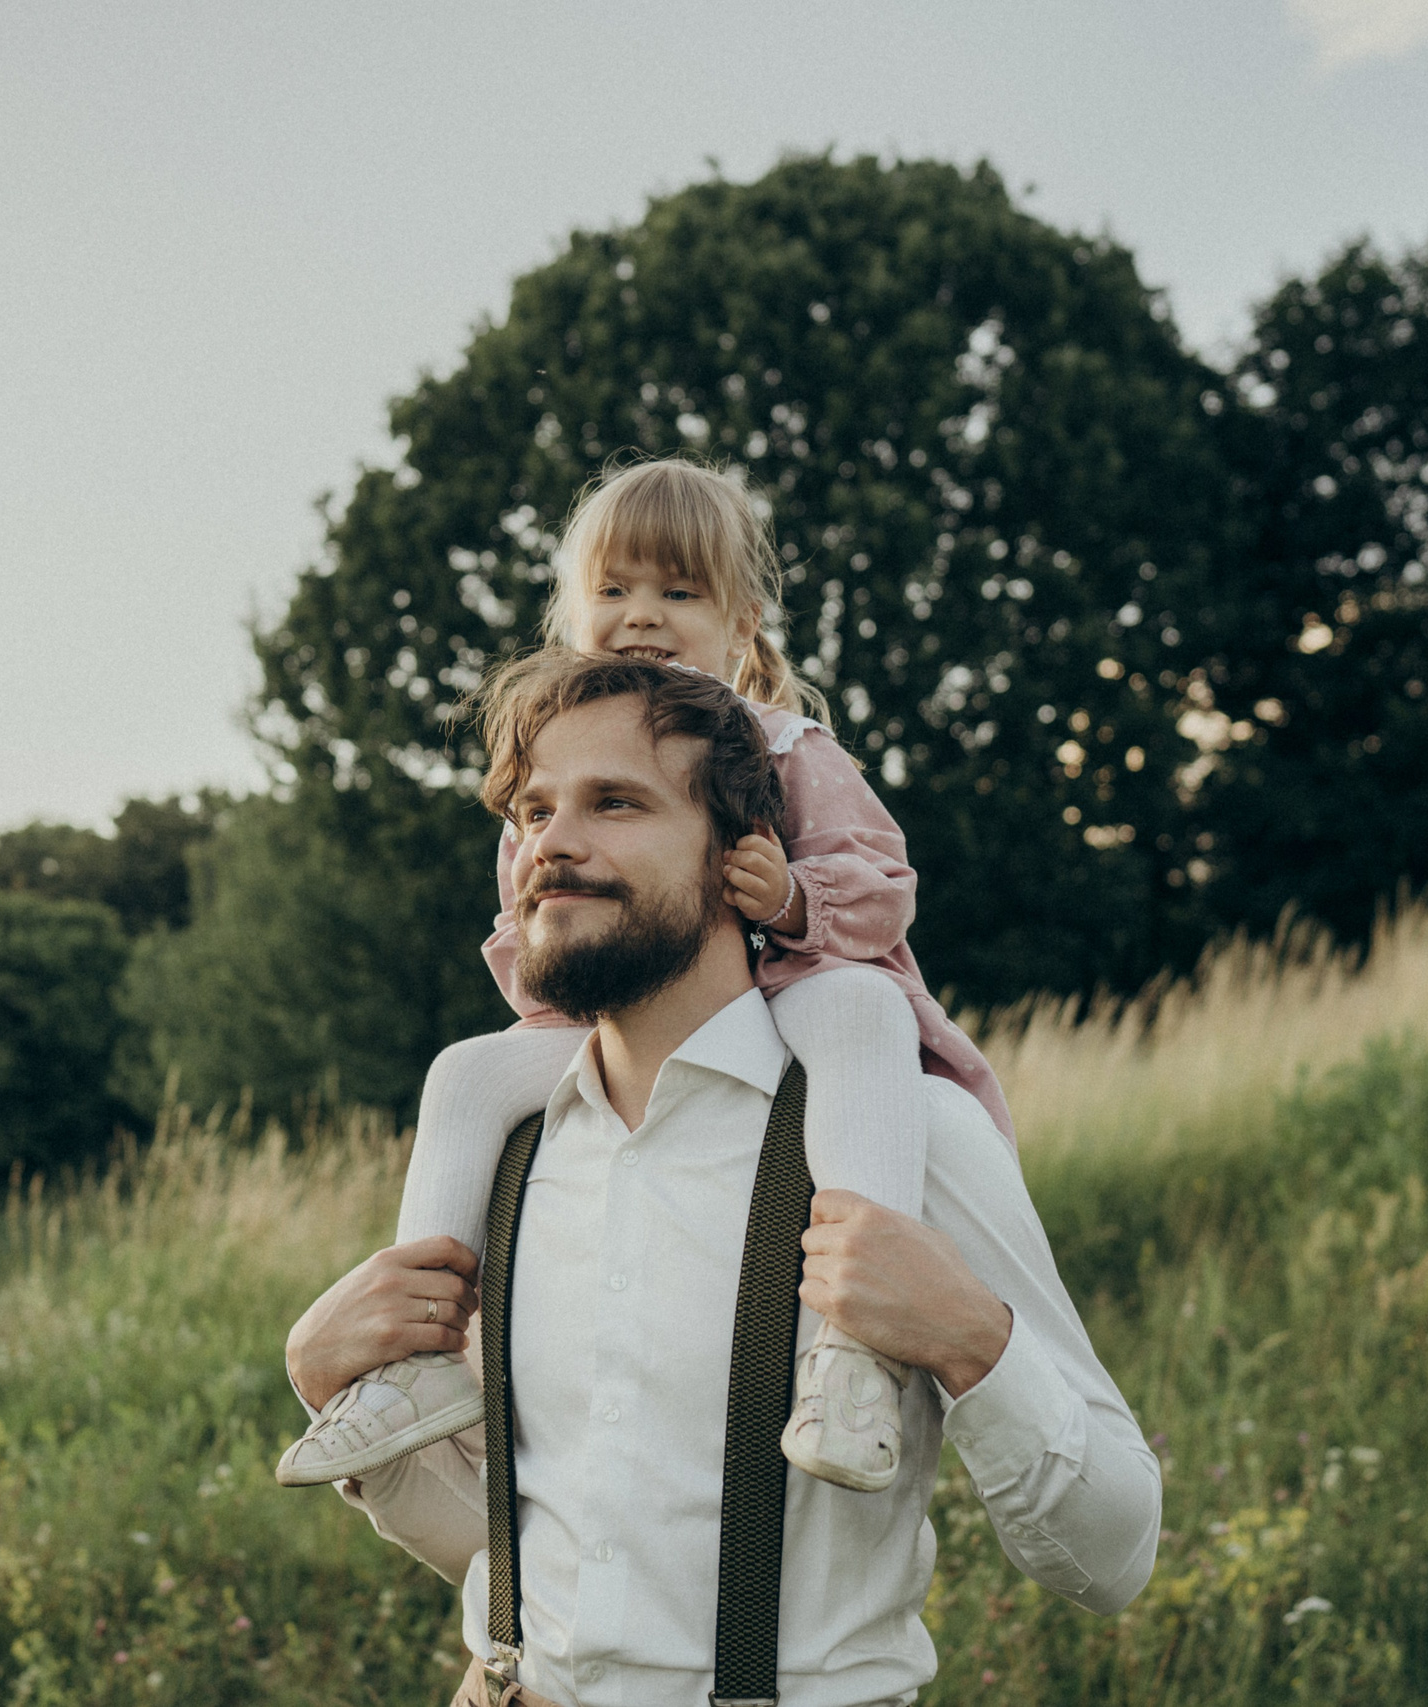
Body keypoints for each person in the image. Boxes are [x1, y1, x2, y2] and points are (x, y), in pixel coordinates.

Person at [285, 652, 1159, 1705]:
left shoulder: (909, 1139)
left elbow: (1113, 1562)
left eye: (614, 803)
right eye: (534, 809)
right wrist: (333, 1391)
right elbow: (520, 1548)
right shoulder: (509, 1157)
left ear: (736, 853)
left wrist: (974, 1341)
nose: (551, 844)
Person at [278, 457, 1012, 1496]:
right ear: (568, 614)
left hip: (789, 991)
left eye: (679, 592)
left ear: (742, 620)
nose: (642, 617)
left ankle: (854, 1354)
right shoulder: (552, 768)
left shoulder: (786, 746)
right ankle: (420, 1361)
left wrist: (794, 898)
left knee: (861, 1010)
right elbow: (529, 927)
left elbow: (881, 884)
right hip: (619, 1017)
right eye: (613, 591)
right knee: (465, 1073)